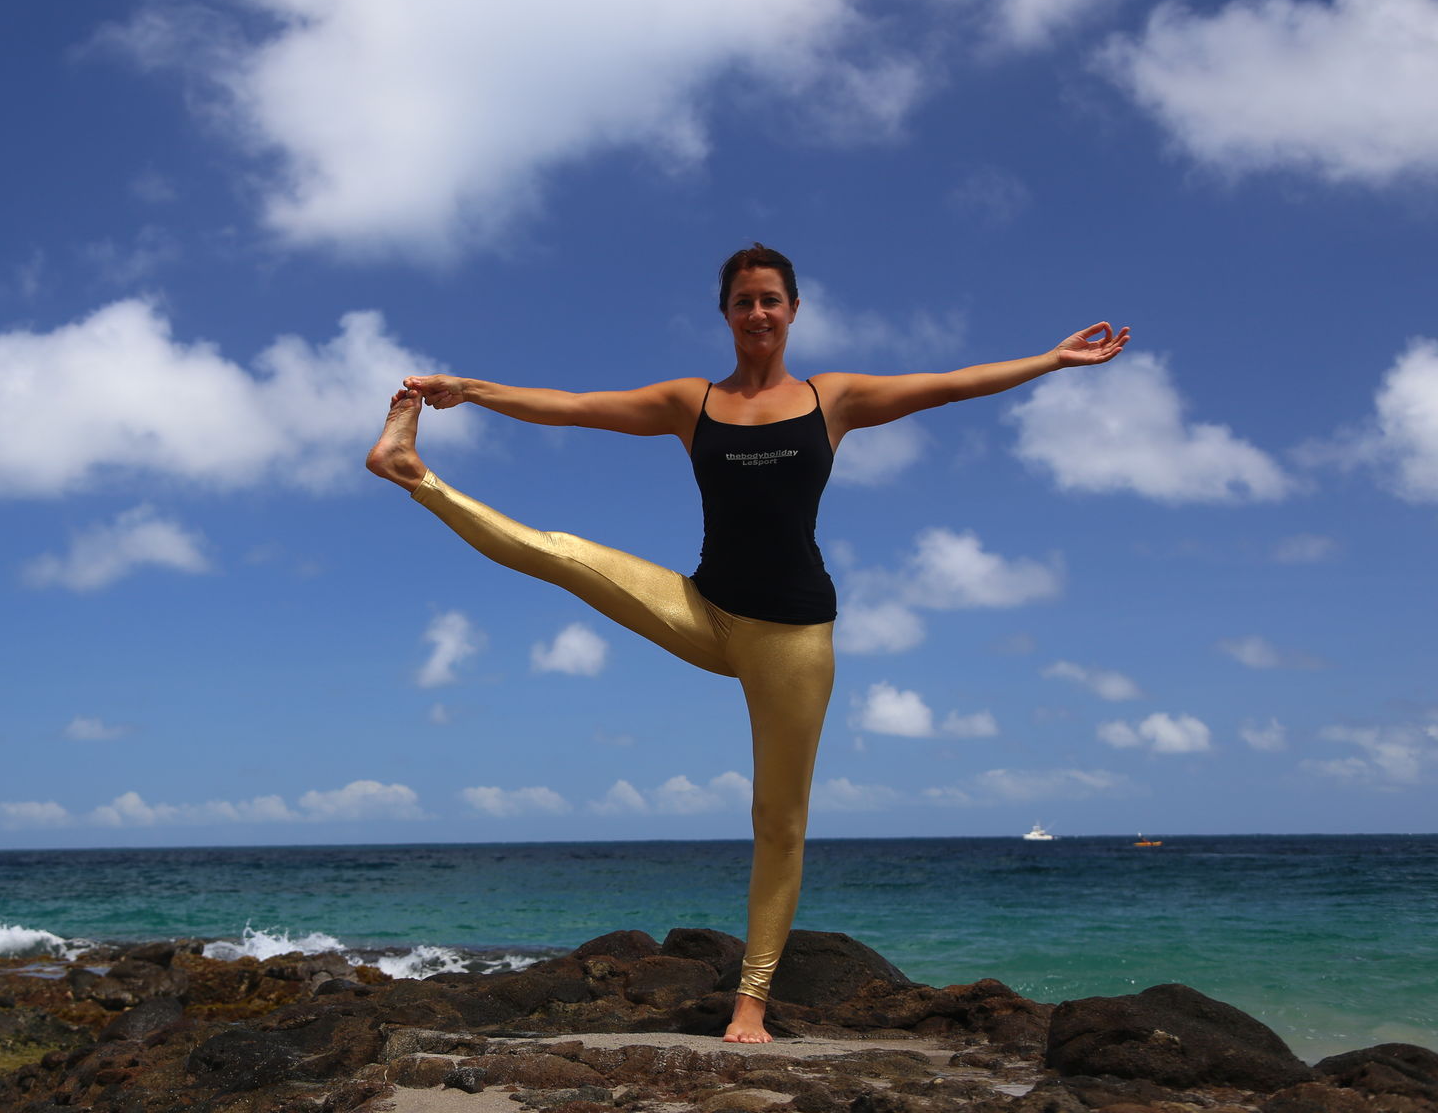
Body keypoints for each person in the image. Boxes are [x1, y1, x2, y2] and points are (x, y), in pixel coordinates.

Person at [365, 243, 1128, 1043]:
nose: (757, 313)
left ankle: (751, 1005)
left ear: (793, 310)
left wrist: (1048, 360)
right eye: (742, 302)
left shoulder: (833, 398)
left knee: (779, 820)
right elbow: (576, 405)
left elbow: (946, 385)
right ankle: (410, 468)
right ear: (724, 314)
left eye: (770, 300)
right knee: (559, 553)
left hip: (793, 638)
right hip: (703, 608)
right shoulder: (687, 403)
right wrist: (471, 391)